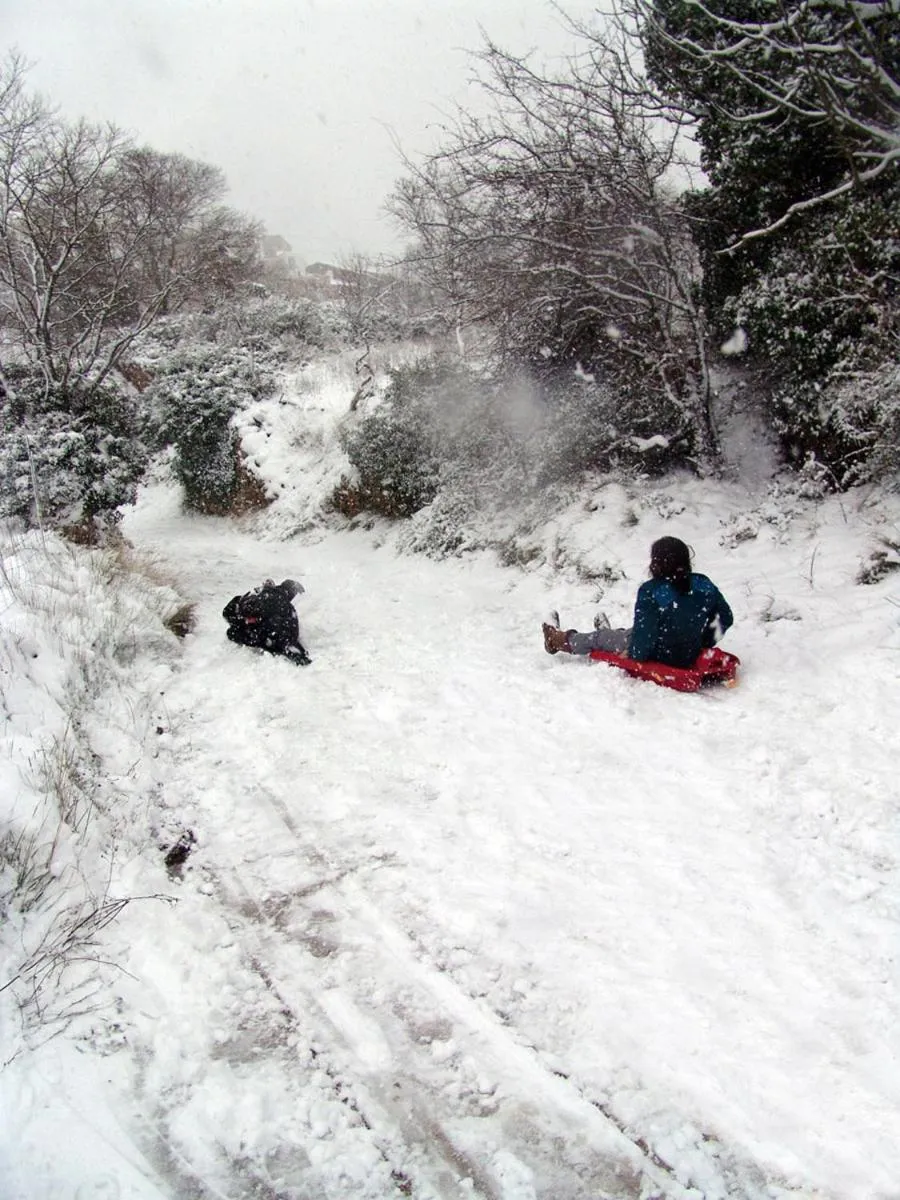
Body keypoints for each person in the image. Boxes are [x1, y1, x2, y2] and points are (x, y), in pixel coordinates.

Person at [542, 536, 733, 669]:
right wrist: (703, 642)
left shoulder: (652, 591)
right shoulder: (703, 583)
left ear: (656, 563)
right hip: (689, 650)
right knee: (627, 633)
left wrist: (635, 655)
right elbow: (726, 617)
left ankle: (556, 640)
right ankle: (610, 633)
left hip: (659, 653)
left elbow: (645, 632)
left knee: (599, 639)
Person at [223, 578, 311, 666]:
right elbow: (293, 585)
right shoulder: (278, 592)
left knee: (236, 633)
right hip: (289, 623)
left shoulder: (250, 612)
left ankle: (286, 647)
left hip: (279, 631)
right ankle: (289, 647)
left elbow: (248, 632)